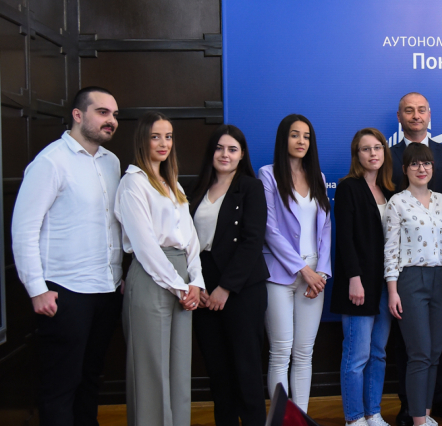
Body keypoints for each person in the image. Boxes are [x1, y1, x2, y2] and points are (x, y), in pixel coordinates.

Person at [11, 87, 123, 426]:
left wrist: (118, 276)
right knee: (60, 386)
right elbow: (24, 229)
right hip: (65, 293)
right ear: (78, 115)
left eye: (114, 114)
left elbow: (114, 225)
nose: (111, 120)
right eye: (102, 112)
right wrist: (36, 289)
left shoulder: (112, 162)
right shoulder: (50, 162)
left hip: (106, 292)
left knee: (91, 380)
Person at [115, 111, 204, 426]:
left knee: (179, 371)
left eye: (168, 136)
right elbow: (145, 246)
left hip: (182, 278)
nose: (164, 143)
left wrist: (197, 282)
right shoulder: (133, 183)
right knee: (150, 373)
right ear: (143, 140)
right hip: (151, 277)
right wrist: (180, 286)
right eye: (155, 137)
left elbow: (190, 238)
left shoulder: (172, 183)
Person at [388, 93, 442, 426]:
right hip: (408, 272)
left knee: (437, 348)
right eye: (409, 110)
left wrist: (432, 227)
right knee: (410, 347)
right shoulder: (388, 156)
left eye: (421, 110)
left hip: (441, 269)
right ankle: (411, 407)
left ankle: (437, 403)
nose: (416, 115)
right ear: (400, 116)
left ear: (429, 114)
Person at [190, 125, 269, 426]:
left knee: (246, 369)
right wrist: (197, 285)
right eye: (220, 148)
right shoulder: (196, 188)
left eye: (232, 149)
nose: (225, 154)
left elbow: (252, 241)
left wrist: (226, 287)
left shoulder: (251, 187)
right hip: (203, 284)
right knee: (217, 371)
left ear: (242, 155)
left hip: (242, 287)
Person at [260, 114, 332, 412]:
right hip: (280, 273)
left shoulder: (318, 177)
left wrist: (321, 272)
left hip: (315, 276)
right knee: (280, 351)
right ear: (283, 138)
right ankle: (281, 419)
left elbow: (325, 228)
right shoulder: (268, 175)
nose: (301, 141)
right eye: (294, 134)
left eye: (306, 136)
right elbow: (269, 229)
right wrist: (304, 271)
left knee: (304, 353)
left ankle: (299, 418)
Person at [332, 128, 395, 426]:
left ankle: (373, 413)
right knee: (356, 356)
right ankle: (354, 418)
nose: (373, 153)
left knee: (378, 353)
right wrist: (354, 279)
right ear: (356, 155)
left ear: (384, 151)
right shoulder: (349, 187)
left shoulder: (390, 191)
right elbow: (344, 238)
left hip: (385, 284)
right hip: (359, 283)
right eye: (366, 149)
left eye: (377, 147)